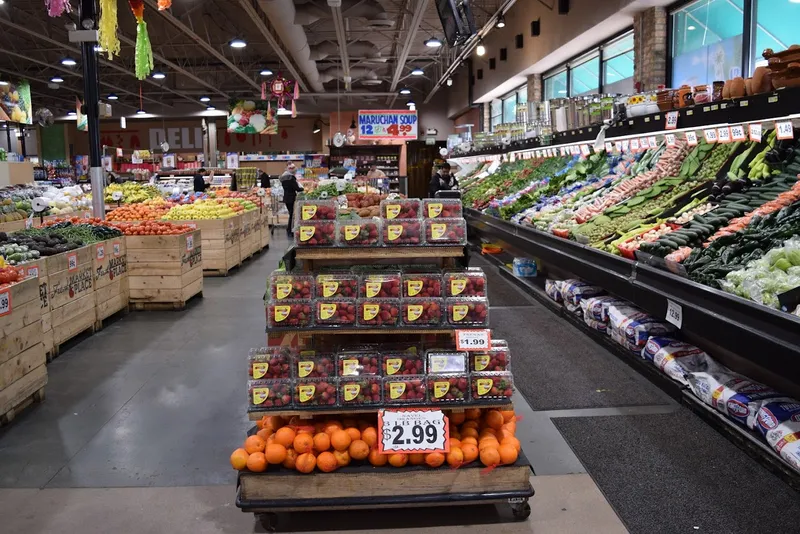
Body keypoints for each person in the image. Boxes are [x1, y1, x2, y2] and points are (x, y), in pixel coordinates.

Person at [280, 163, 303, 236]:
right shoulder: (291, 178)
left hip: (286, 198)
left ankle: (289, 229)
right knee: (292, 214)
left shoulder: (283, 178)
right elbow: (296, 188)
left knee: (290, 214)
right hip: (291, 198)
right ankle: (290, 230)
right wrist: (302, 188)